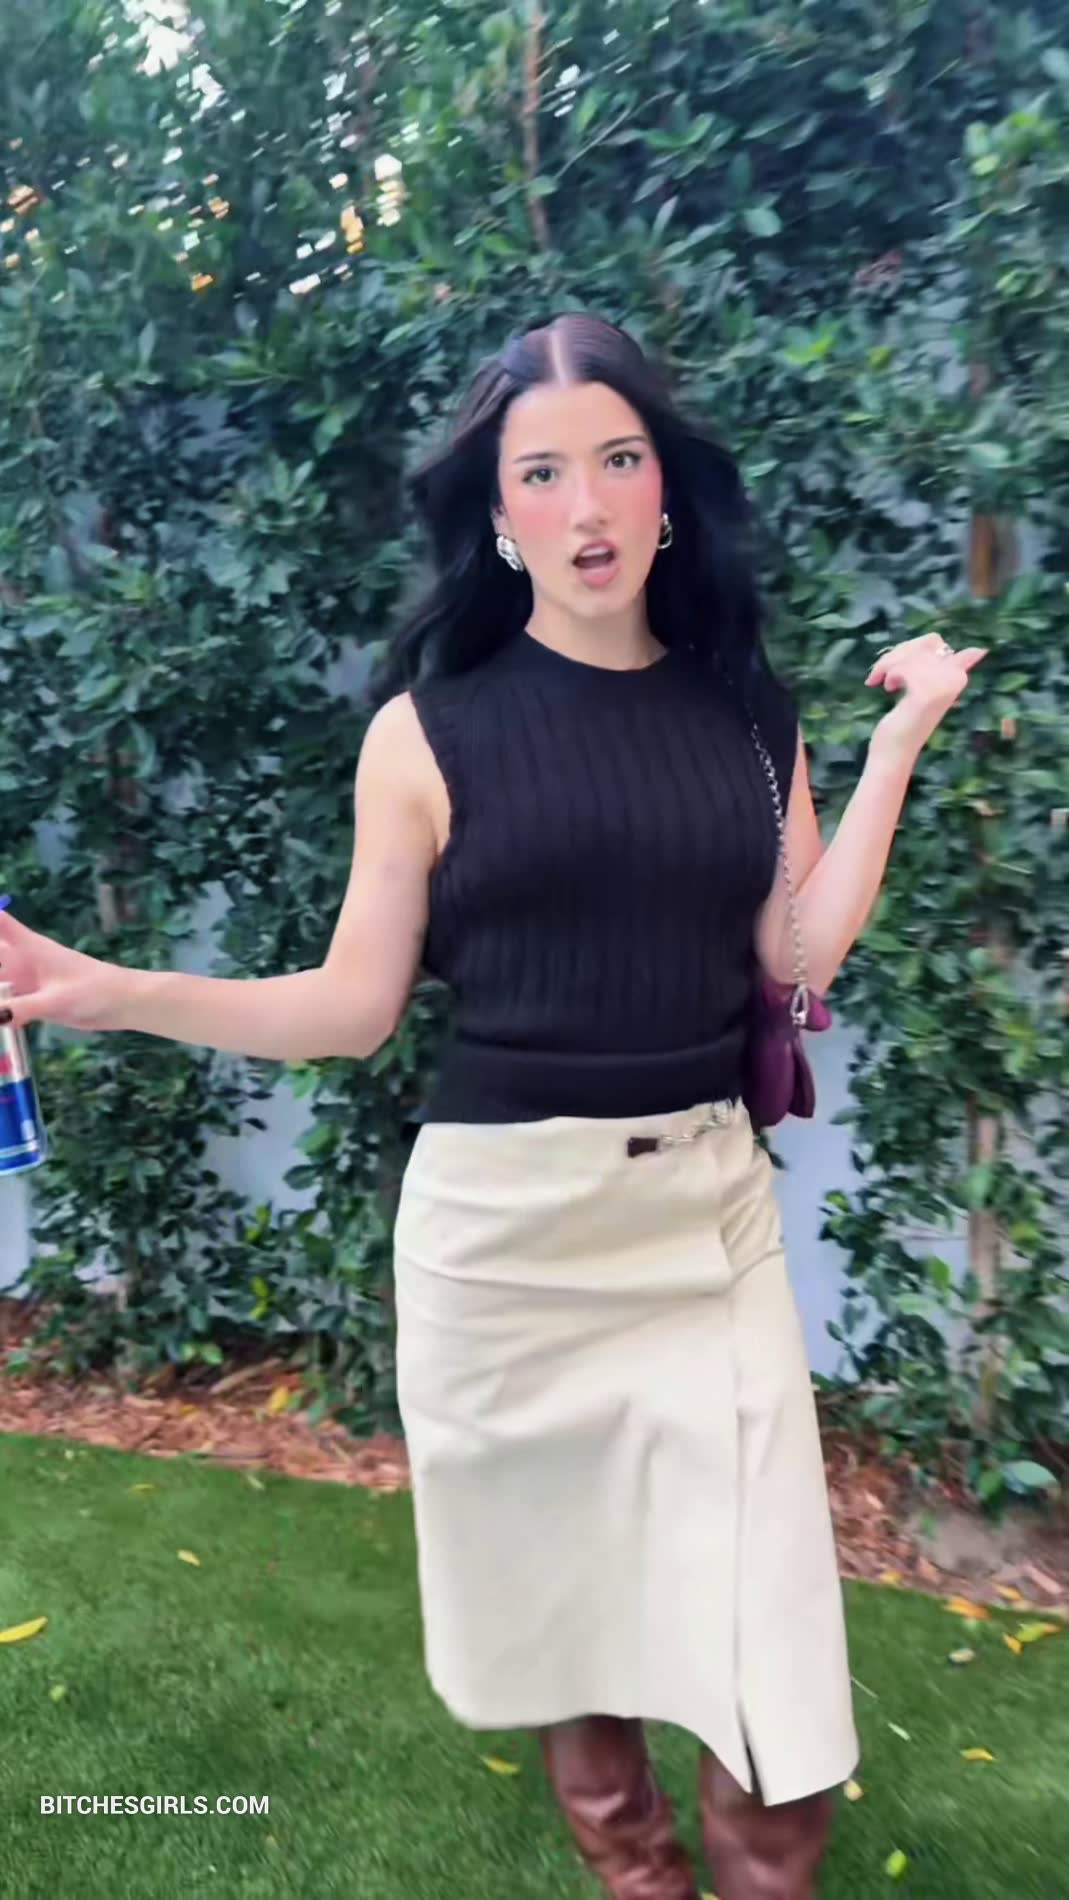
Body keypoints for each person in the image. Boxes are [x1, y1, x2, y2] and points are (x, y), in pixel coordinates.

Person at [0, 312, 987, 1899]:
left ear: (665, 491)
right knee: (571, 1625)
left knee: (777, 1688)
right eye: (541, 472)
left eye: (617, 459)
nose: (584, 505)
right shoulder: (425, 735)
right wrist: (108, 986)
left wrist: (893, 749)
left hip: (706, 1226)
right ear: (498, 510)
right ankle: (633, 1873)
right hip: (505, 1246)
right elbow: (352, 1006)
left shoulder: (745, 712)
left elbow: (793, 954)